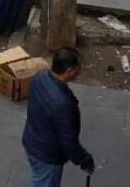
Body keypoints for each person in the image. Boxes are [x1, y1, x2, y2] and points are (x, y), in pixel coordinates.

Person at [22, 47, 95, 186]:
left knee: (39, 178)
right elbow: (68, 142)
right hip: (47, 155)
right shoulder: (64, 104)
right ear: (69, 71)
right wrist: (85, 160)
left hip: (31, 142)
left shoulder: (40, 77)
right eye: (77, 68)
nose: (79, 71)